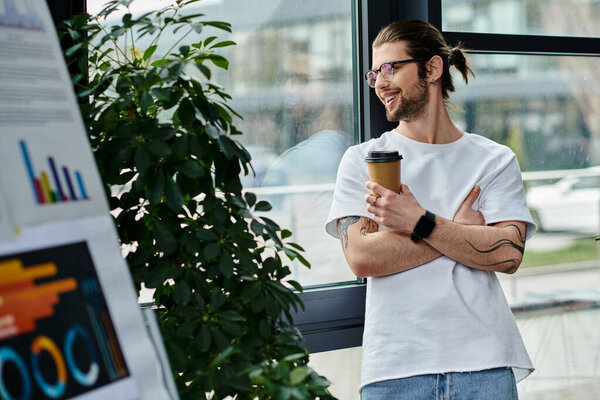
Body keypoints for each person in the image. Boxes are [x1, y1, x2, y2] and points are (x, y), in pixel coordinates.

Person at [325, 20, 535, 399]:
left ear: (433, 69)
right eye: (374, 73)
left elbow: (508, 253)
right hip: (395, 367)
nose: (379, 83)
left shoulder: (495, 160)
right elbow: (362, 256)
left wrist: (416, 222)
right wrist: (458, 229)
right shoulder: (363, 161)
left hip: (484, 362)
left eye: (391, 68)